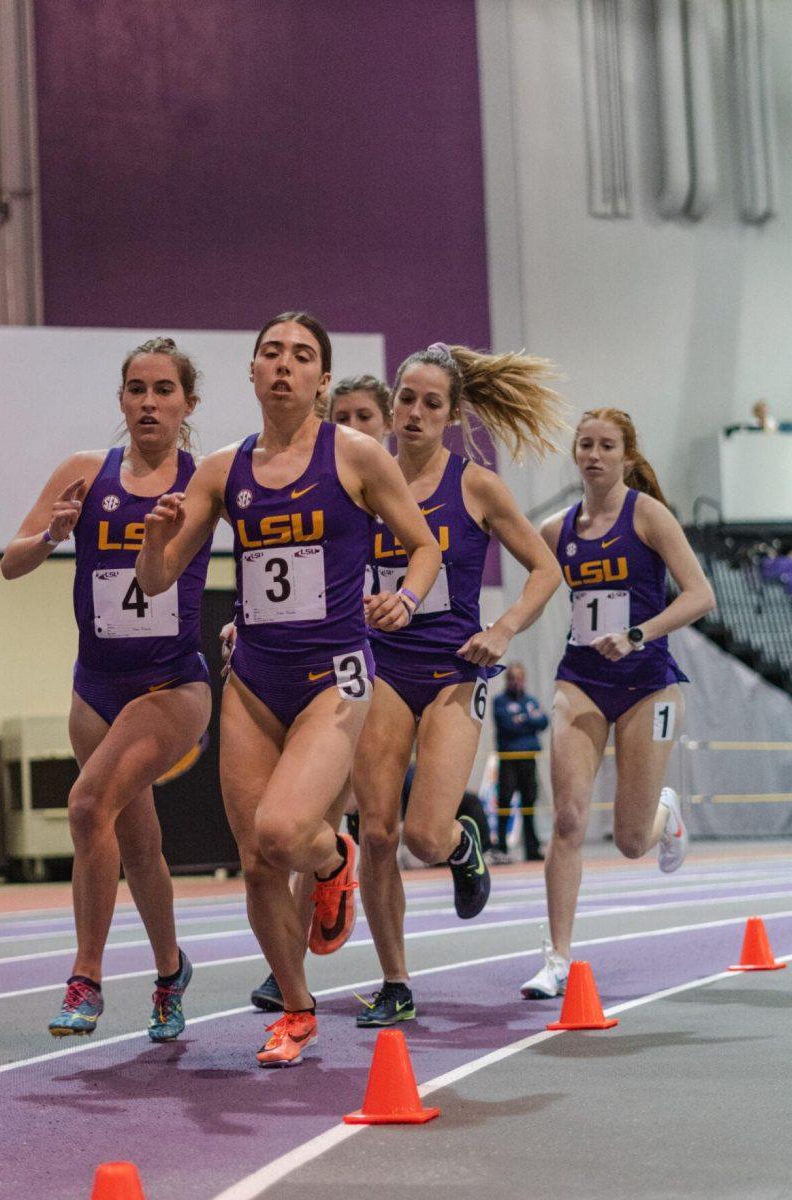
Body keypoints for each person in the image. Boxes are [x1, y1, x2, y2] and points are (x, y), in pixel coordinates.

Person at [135, 313, 440, 1067]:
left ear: (322, 380)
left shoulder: (357, 454)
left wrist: (405, 595)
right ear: (251, 370)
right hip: (256, 678)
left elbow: (424, 543)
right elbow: (154, 581)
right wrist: (152, 533)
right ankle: (298, 1010)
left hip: (335, 675)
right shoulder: (221, 470)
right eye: (270, 352)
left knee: (281, 831)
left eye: (301, 356)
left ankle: (333, 860)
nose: (283, 366)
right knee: (259, 857)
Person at [1, 337, 212, 1040]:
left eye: (163, 390)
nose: (148, 403)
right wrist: (52, 536)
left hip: (171, 686)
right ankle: (169, 972)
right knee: (139, 842)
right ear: (120, 400)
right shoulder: (86, 474)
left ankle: (85, 976)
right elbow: (11, 564)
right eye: (136, 389)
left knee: (87, 803)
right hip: (96, 686)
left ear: (188, 403)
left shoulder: (204, 479)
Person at [353, 341, 564, 1027]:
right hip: (380, 666)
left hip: (452, 670)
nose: (414, 413)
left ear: (452, 414)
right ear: (391, 403)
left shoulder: (475, 486)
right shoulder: (360, 480)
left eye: (430, 403)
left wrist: (502, 630)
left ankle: (460, 844)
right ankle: (395, 980)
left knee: (421, 836)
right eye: (406, 399)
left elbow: (544, 569)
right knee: (377, 833)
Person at [520, 407, 715, 999]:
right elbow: (510, 555)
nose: (594, 455)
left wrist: (637, 634)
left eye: (607, 446)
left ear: (627, 456)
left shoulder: (648, 515)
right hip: (580, 679)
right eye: (585, 445)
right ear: (575, 454)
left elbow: (700, 594)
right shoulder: (556, 531)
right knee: (570, 818)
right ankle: (555, 958)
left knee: (631, 841)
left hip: (647, 682)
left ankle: (665, 813)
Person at [248, 372, 392, 1013]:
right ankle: (291, 975)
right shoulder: (301, 475)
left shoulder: (387, 477)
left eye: (368, 417)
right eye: (346, 416)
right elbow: (278, 569)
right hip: (295, 664)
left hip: (391, 666)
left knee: (390, 829)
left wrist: (412, 600)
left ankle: (396, 977)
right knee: (291, 833)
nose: (355, 428)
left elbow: (433, 557)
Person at [491, 662, 548, 862]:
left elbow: (543, 721)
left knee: (529, 803)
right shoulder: (499, 701)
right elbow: (507, 725)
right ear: (508, 680)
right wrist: (528, 719)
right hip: (509, 759)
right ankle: (501, 848)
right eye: (513, 678)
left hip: (528, 759)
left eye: (520, 678)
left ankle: (532, 848)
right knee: (505, 802)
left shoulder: (530, 699)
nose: (516, 682)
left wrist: (521, 719)